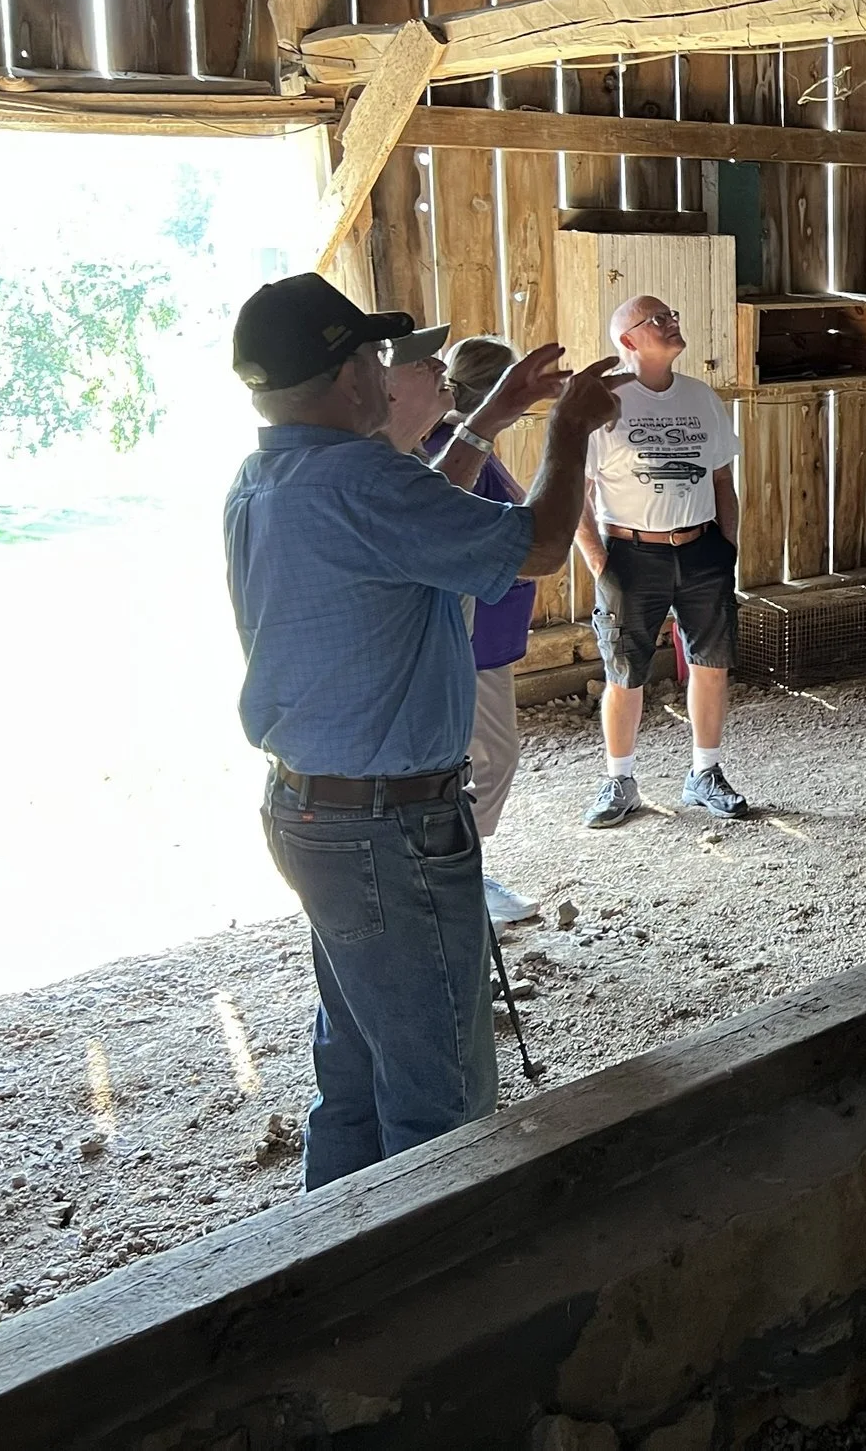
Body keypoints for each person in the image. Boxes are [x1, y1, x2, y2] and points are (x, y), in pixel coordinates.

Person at [224, 273, 616, 1188]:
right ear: (346, 371)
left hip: (314, 811)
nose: (383, 368)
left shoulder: (269, 476)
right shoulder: (360, 480)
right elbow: (539, 546)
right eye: (372, 353)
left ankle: (336, 1269)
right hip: (389, 830)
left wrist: (486, 420)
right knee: (440, 1103)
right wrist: (566, 432)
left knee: (355, 1069)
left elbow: (410, 516)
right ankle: (438, 1296)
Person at [576, 294, 752, 825]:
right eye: (657, 320)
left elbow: (723, 480)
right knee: (625, 673)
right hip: (629, 554)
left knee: (711, 665)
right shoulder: (601, 405)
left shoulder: (700, 398)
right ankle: (620, 780)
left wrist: (725, 547)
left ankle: (705, 773)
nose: (672, 324)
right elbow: (575, 499)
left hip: (701, 552)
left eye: (672, 315)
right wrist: (601, 565)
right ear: (628, 340)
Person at [415, 336, 545, 927]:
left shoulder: (471, 446)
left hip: (487, 631)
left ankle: (460, 871)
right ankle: (461, 875)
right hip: (473, 636)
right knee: (491, 755)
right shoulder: (454, 451)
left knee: (487, 754)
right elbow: (525, 537)